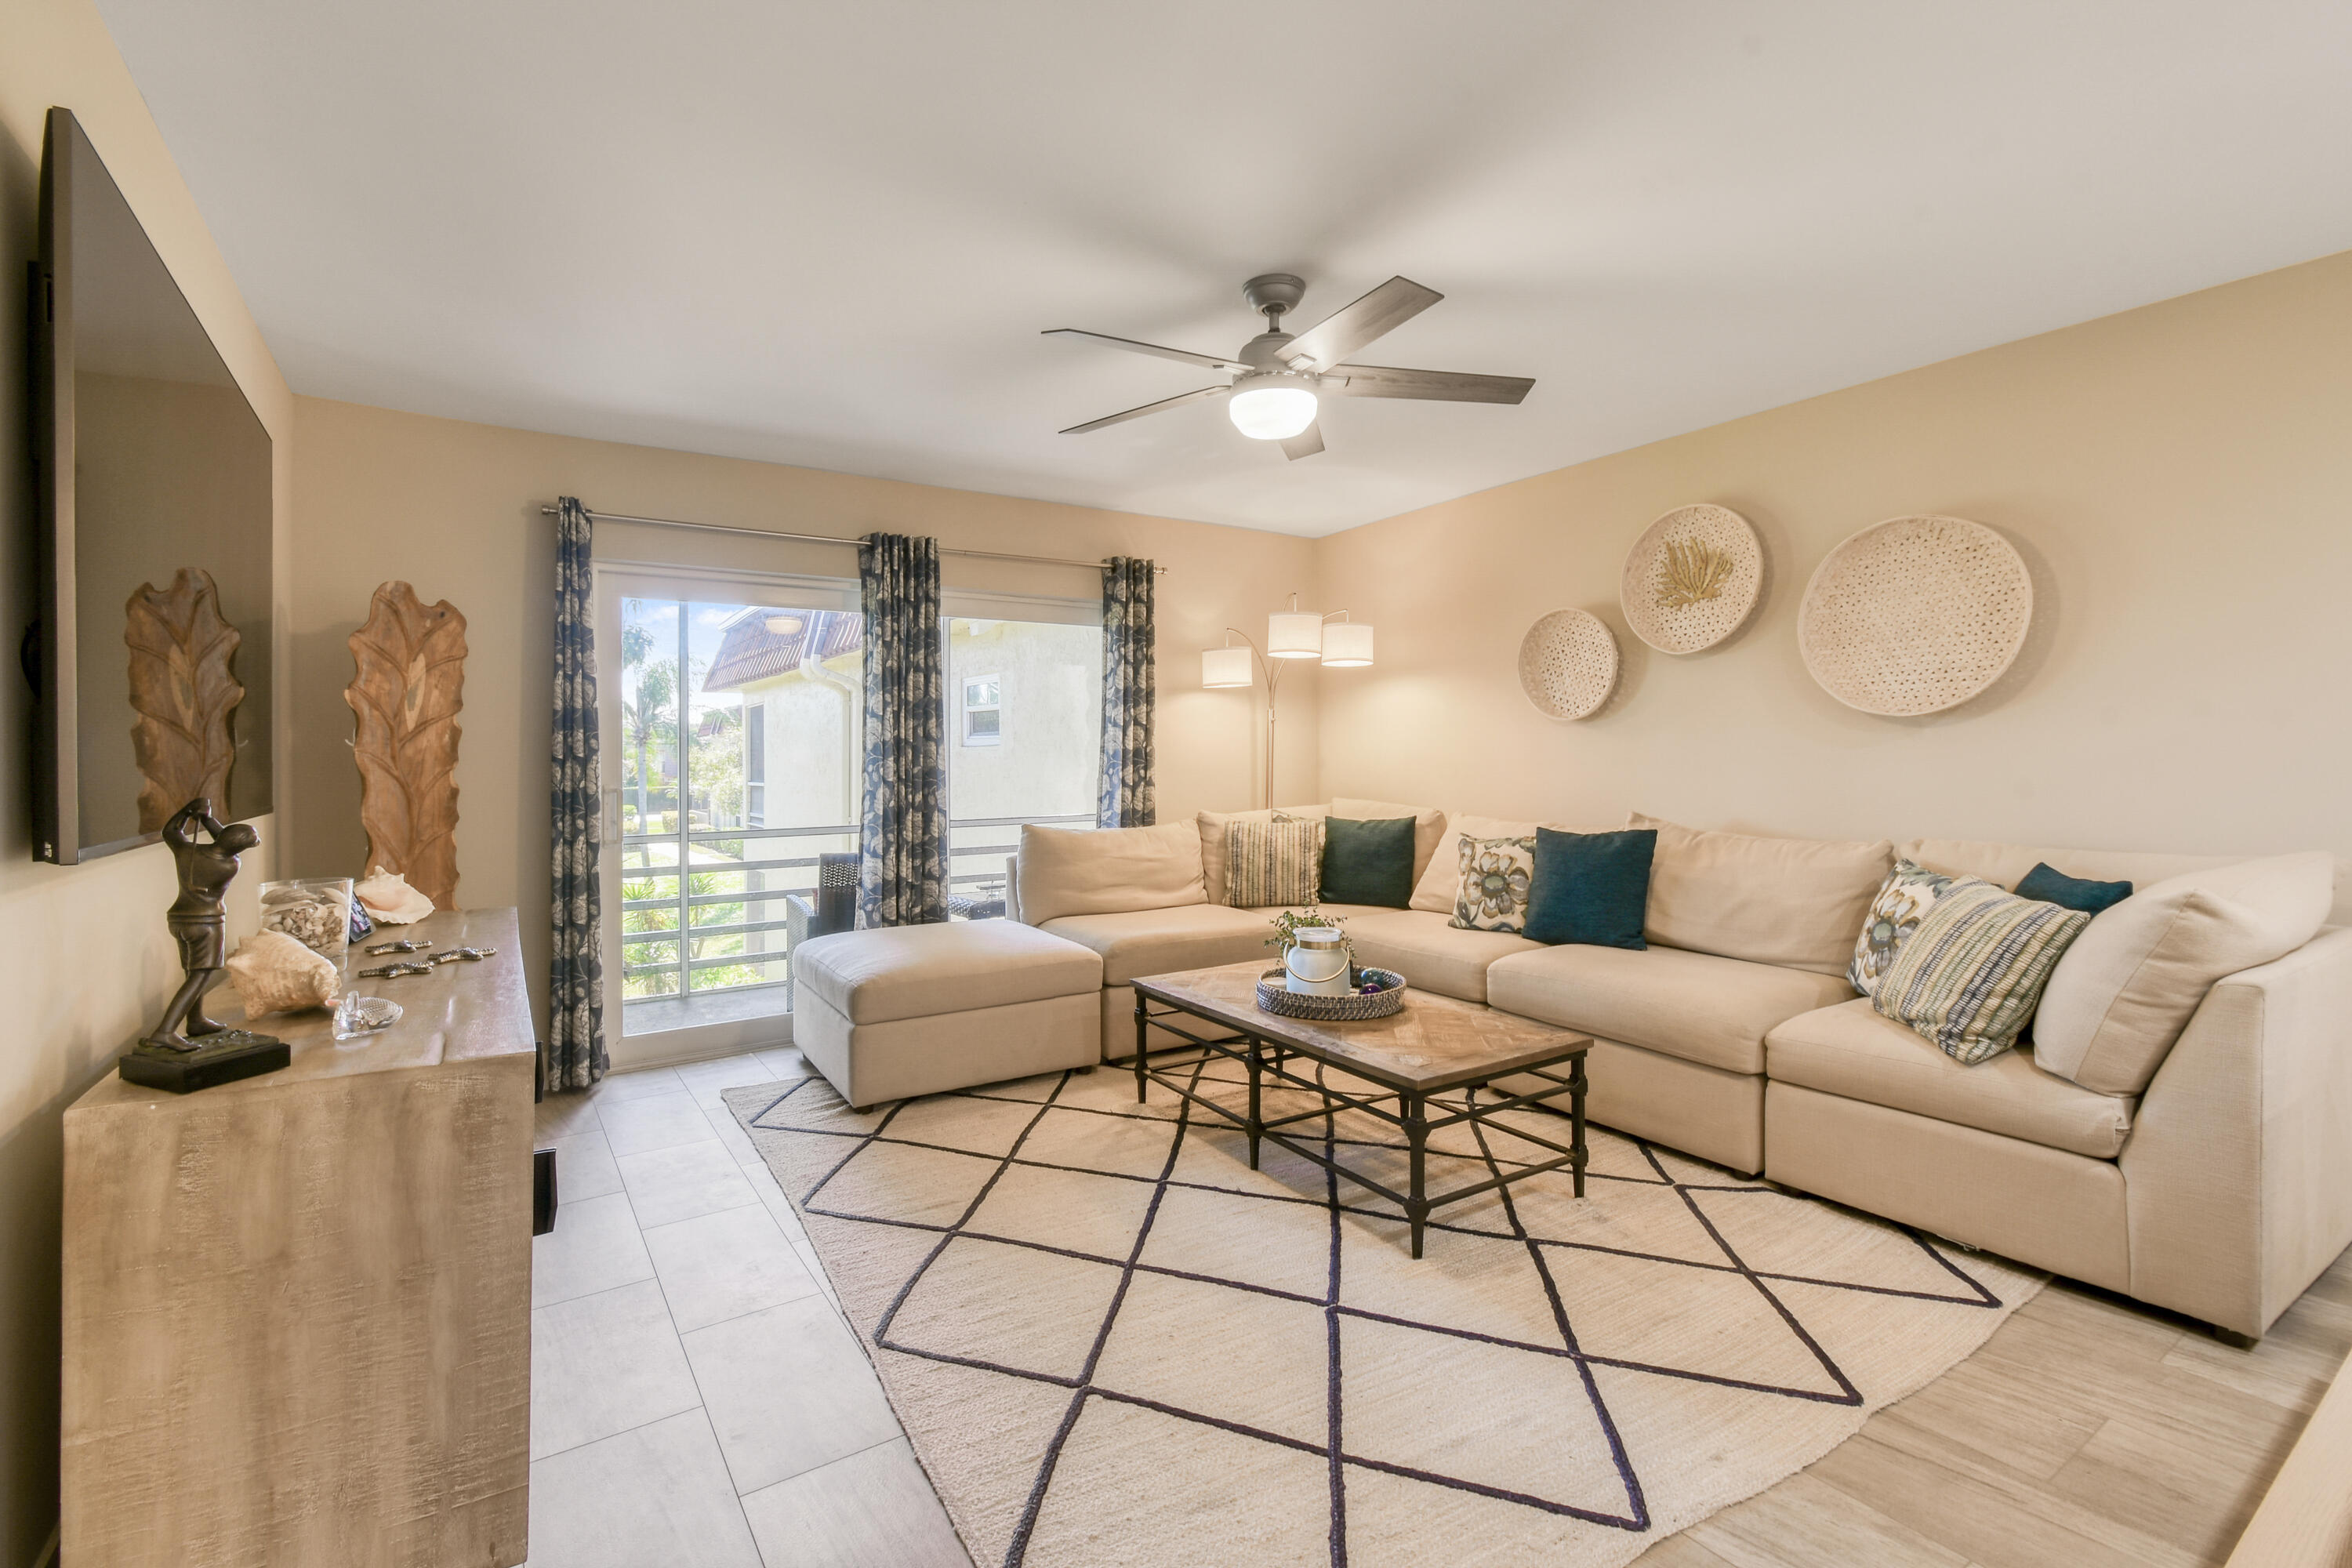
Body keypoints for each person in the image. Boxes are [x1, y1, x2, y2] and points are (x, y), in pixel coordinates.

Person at [142, 798, 263, 1052]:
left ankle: (195, 1021)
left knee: (191, 970)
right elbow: (225, 842)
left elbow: (171, 832)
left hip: (179, 919)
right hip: (207, 923)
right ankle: (165, 1032)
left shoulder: (188, 852)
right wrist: (207, 819)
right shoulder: (230, 865)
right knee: (200, 974)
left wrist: (189, 812)